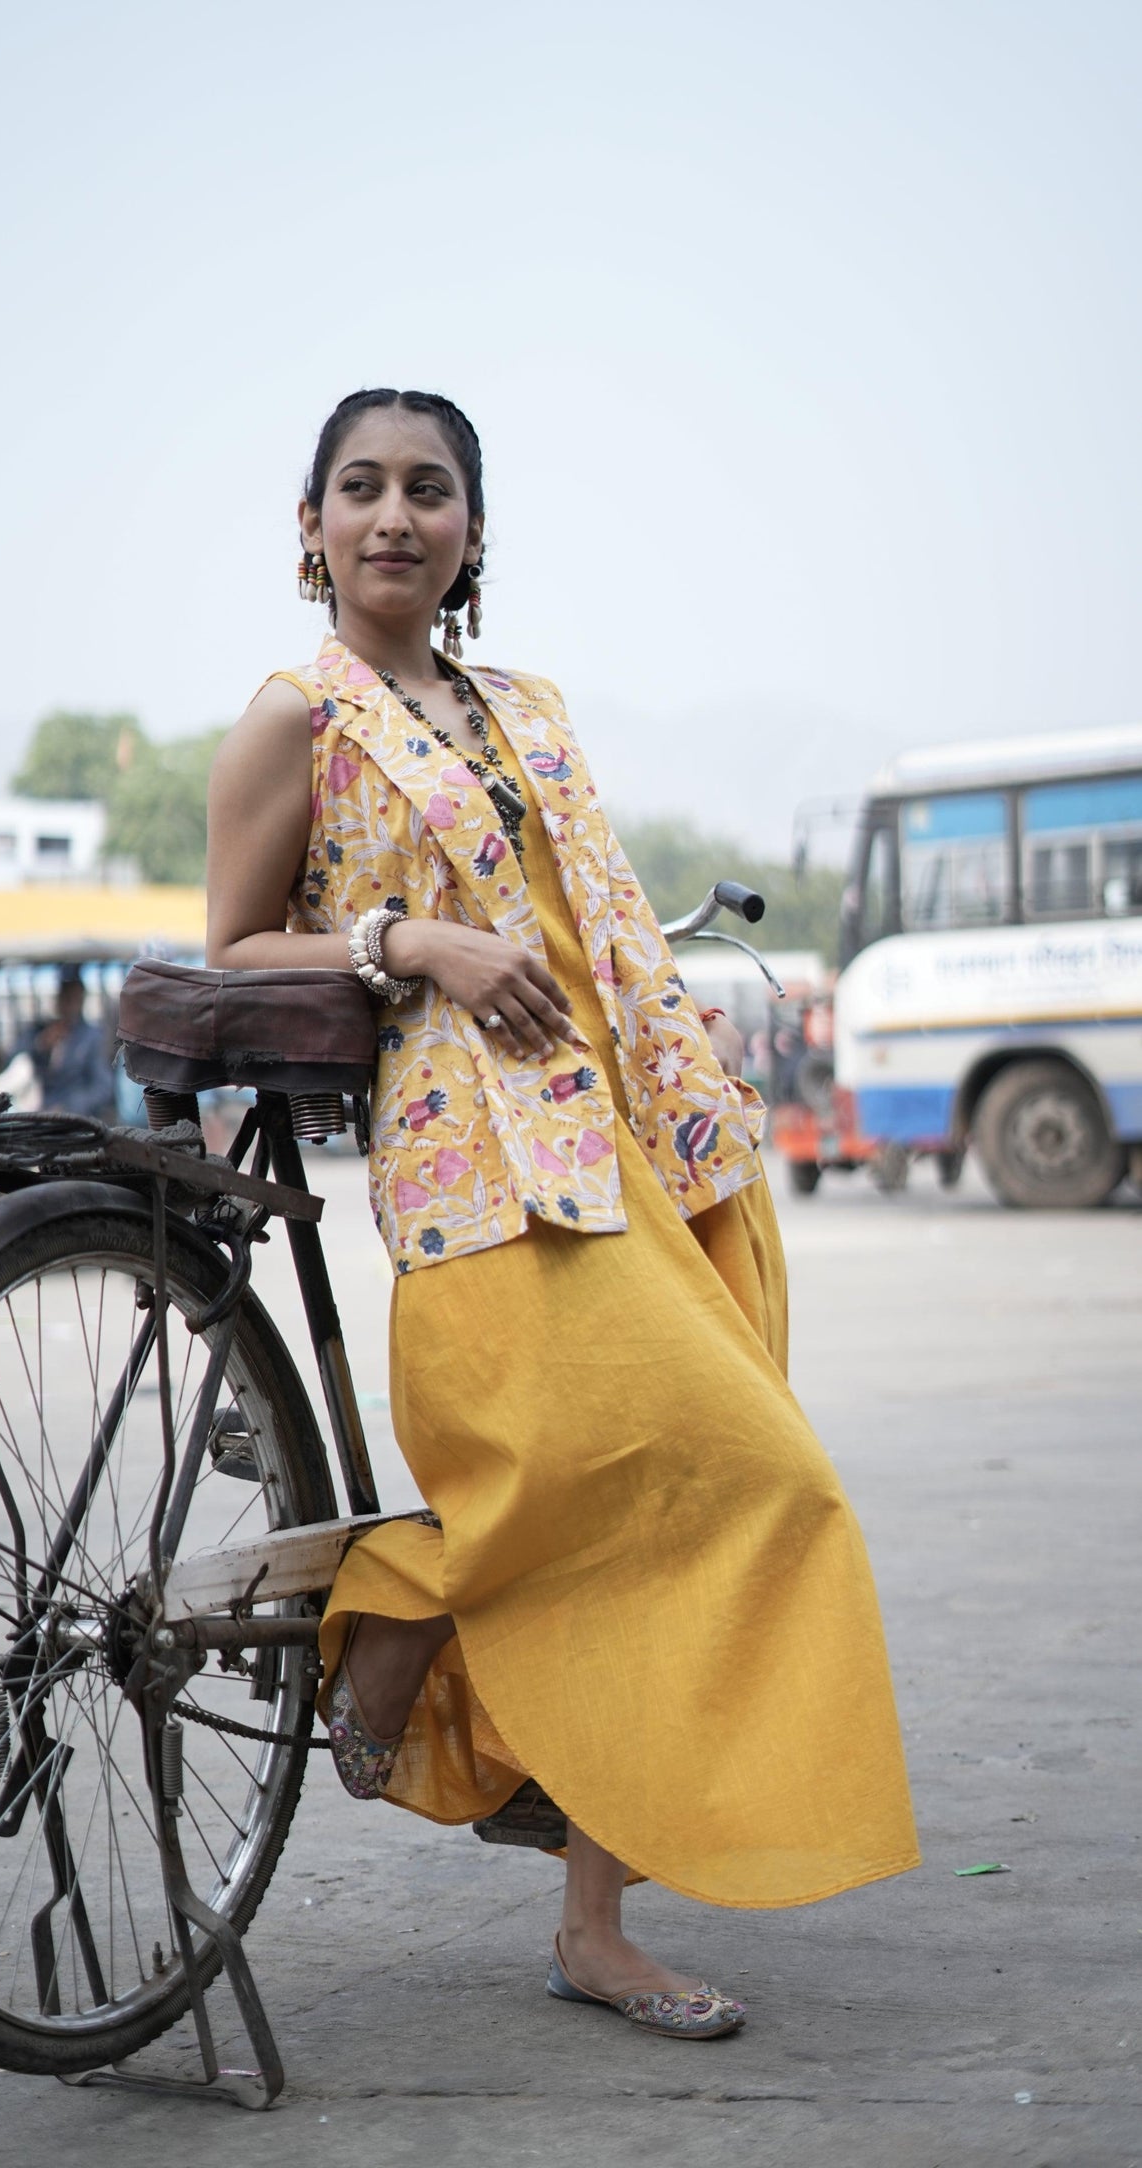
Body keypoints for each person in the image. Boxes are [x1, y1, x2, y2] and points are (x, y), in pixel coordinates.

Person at [206, 388, 919, 2041]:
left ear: (472, 531)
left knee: (679, 1506)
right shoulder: (288, 719)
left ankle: (595, 1924)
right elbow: (235, 947)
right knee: (722, 1475)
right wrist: (415, 943)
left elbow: (584, 914)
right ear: (307, 528)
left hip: (639, 1142)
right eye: (362, 487)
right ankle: (397, 1605)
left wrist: (672, 1038)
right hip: (477, 1178)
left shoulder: (527, 703)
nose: (397, 514)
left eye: (431, 489)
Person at [30, 965, 115, 1119]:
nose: (66, 1003)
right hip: (40, 1113)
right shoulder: (43, 1031)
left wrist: (67, 1108)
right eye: (63, 995)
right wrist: (42, 1047)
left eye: (72, 997)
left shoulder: (93, 1037)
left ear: (81, 998)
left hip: (77, 1119)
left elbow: (103, 1088)